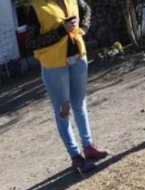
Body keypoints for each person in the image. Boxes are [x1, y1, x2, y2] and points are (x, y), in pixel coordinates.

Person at [26, 0, 109, 173]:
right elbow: (31, 42)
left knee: (80, 104)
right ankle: (76, 156)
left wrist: (83, 28)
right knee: (63, 111)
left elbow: (86, 9)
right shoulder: (36, 7)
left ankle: (88, 147)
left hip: (78, 57)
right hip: (54, 65)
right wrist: (60, 31)